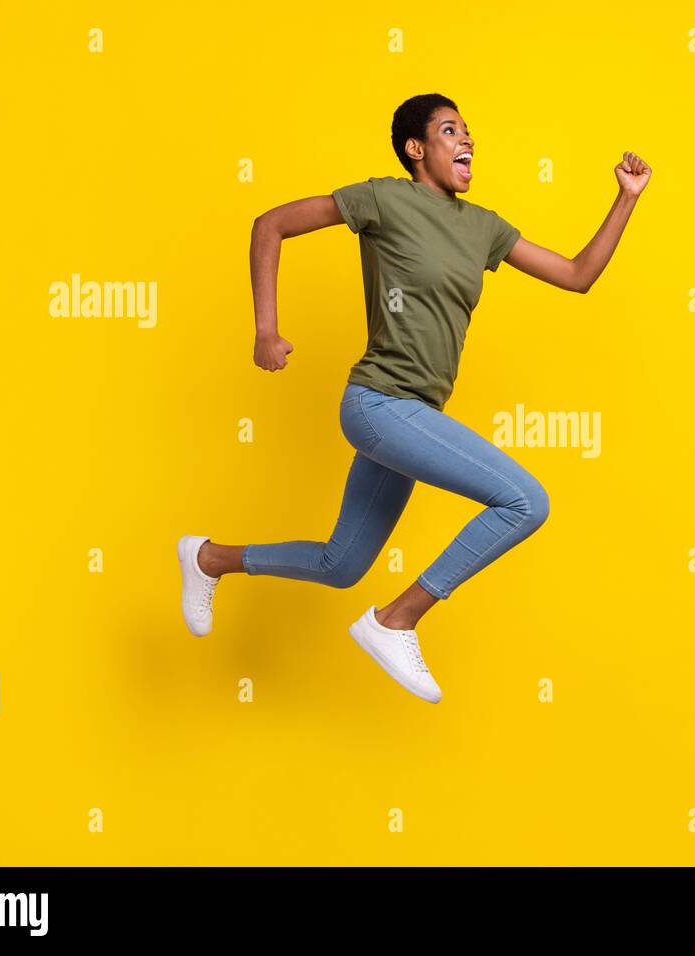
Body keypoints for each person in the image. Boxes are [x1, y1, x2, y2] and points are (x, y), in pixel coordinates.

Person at [178, 93, 651, 703]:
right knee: (525, 501)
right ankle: (397, 618)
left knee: (341, 565)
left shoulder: (484, 228)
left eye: (469, 132)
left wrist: (625, 199)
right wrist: (265, 328)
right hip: (379, 405)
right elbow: (269, 225)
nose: (467, 141)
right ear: (416, 149)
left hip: (415, 417)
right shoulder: (384, 199)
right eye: (451, 131)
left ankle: (209, 559)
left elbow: (577, 275)